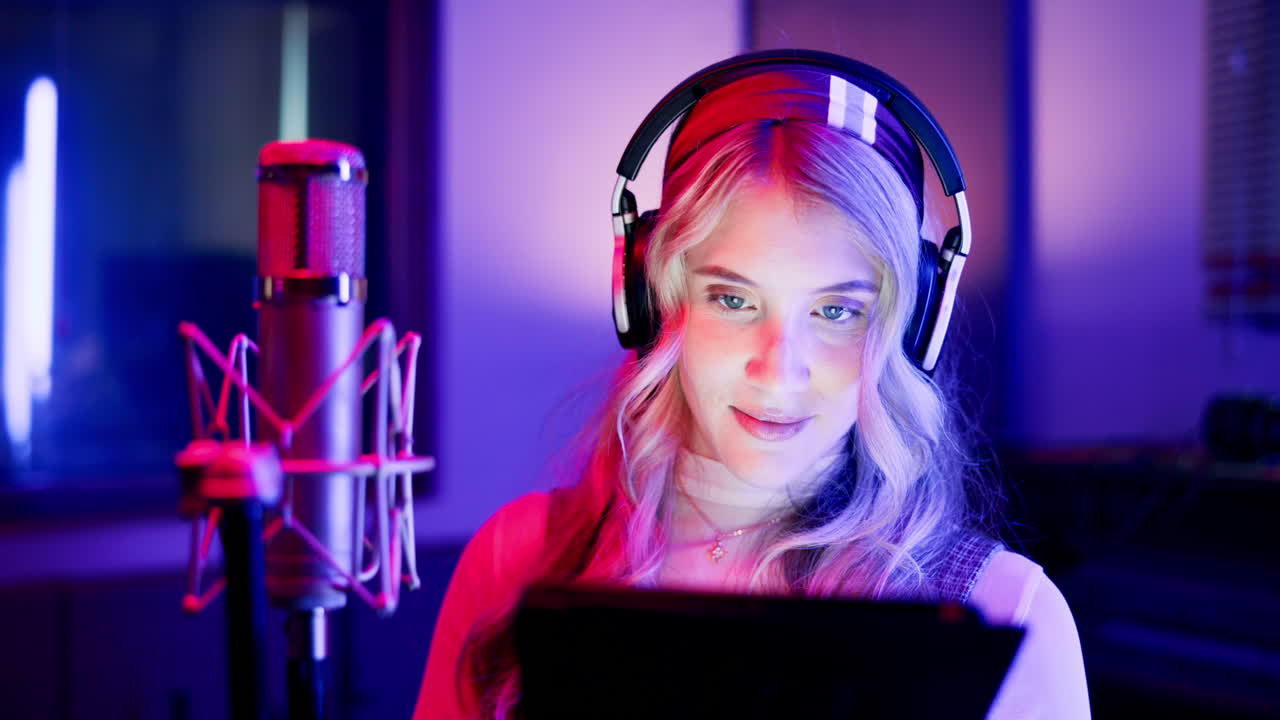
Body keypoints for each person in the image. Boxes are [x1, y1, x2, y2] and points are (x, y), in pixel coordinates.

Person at [413, 51, 1090, 719]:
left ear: (905, 331)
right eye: (732, 300)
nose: (779, 367)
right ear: (653, 302)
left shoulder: (1009, 612)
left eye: (836, 311)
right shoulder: (515, 557)